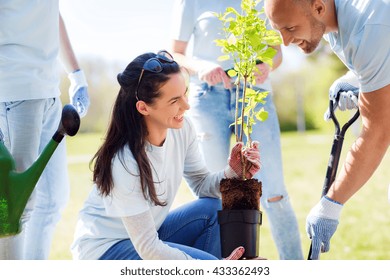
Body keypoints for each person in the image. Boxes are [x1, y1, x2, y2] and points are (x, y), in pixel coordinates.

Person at [71, 51, 261, 260]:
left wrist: (232, 172)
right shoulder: (124, 162)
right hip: (104, 251)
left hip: (146, 238)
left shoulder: (182, 128)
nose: (187, 106)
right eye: (174, 101)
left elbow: (201, 185)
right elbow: (149, 249)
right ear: (143, 107)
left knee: (213, 209)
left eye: (185, 93)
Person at [169, 0, 303, 259]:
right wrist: (201, 67)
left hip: (255, 97)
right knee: (215, 195)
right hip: (208, 98)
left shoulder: (265, 3)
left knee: (275, 193)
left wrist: (266, 64)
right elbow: (175, 53)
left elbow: (276, 51)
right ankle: (219, 267)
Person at [264, 0, 390, 259]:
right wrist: (353, 78)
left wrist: (332, 205)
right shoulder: (334, 28)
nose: (285, 42)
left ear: (318, 8)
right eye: (279, 31)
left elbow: (378, 131)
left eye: (290, 28)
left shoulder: (370, 26)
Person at [0, 1, 90, 260]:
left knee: (51, 201)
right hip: (13, 88)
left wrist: (76, 74)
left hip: (47, 91)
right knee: (14, 207)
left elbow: (52, 13)